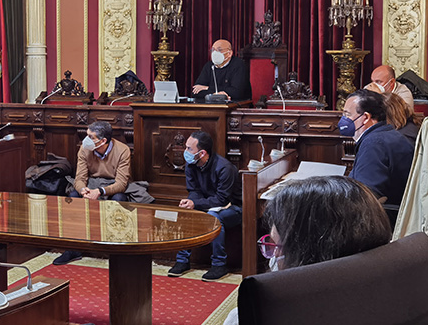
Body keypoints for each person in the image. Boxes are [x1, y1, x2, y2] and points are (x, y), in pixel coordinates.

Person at [223, 176, 392, 325]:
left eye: (277, 247)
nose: (273, 258)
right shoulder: (395, 297)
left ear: (309, 255)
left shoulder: (257, 315)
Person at [52, 121, 132, 265]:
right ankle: (73, 248)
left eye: (91, 137)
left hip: (111, 186)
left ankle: (115, 249)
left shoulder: (122, 150)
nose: (86, 140)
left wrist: (100, 192)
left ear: (103, 141)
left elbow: (121, 183)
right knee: (73, 197)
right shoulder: (84, 149)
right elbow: (79, 178)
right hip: (91, 184)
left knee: (119, 199)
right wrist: (83, 190)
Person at [168, 130, 242, 281]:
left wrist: (196, 203)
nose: (185, 151)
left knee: (214, 217)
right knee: (186, 212)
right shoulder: (191, 165)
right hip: (208, 204)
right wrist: (190, 203)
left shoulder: (224, 168)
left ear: (201, 153)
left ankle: (219, 264)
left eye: (189, 149)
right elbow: (193, 190)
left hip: (233, 208)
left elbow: (222, 200)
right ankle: (182, 261)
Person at [340, 89, 414, 206]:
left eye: (347, 115)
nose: (343, 119)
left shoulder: (374, 144)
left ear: (365, 118)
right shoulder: (388, 135)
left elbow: (365, 197)